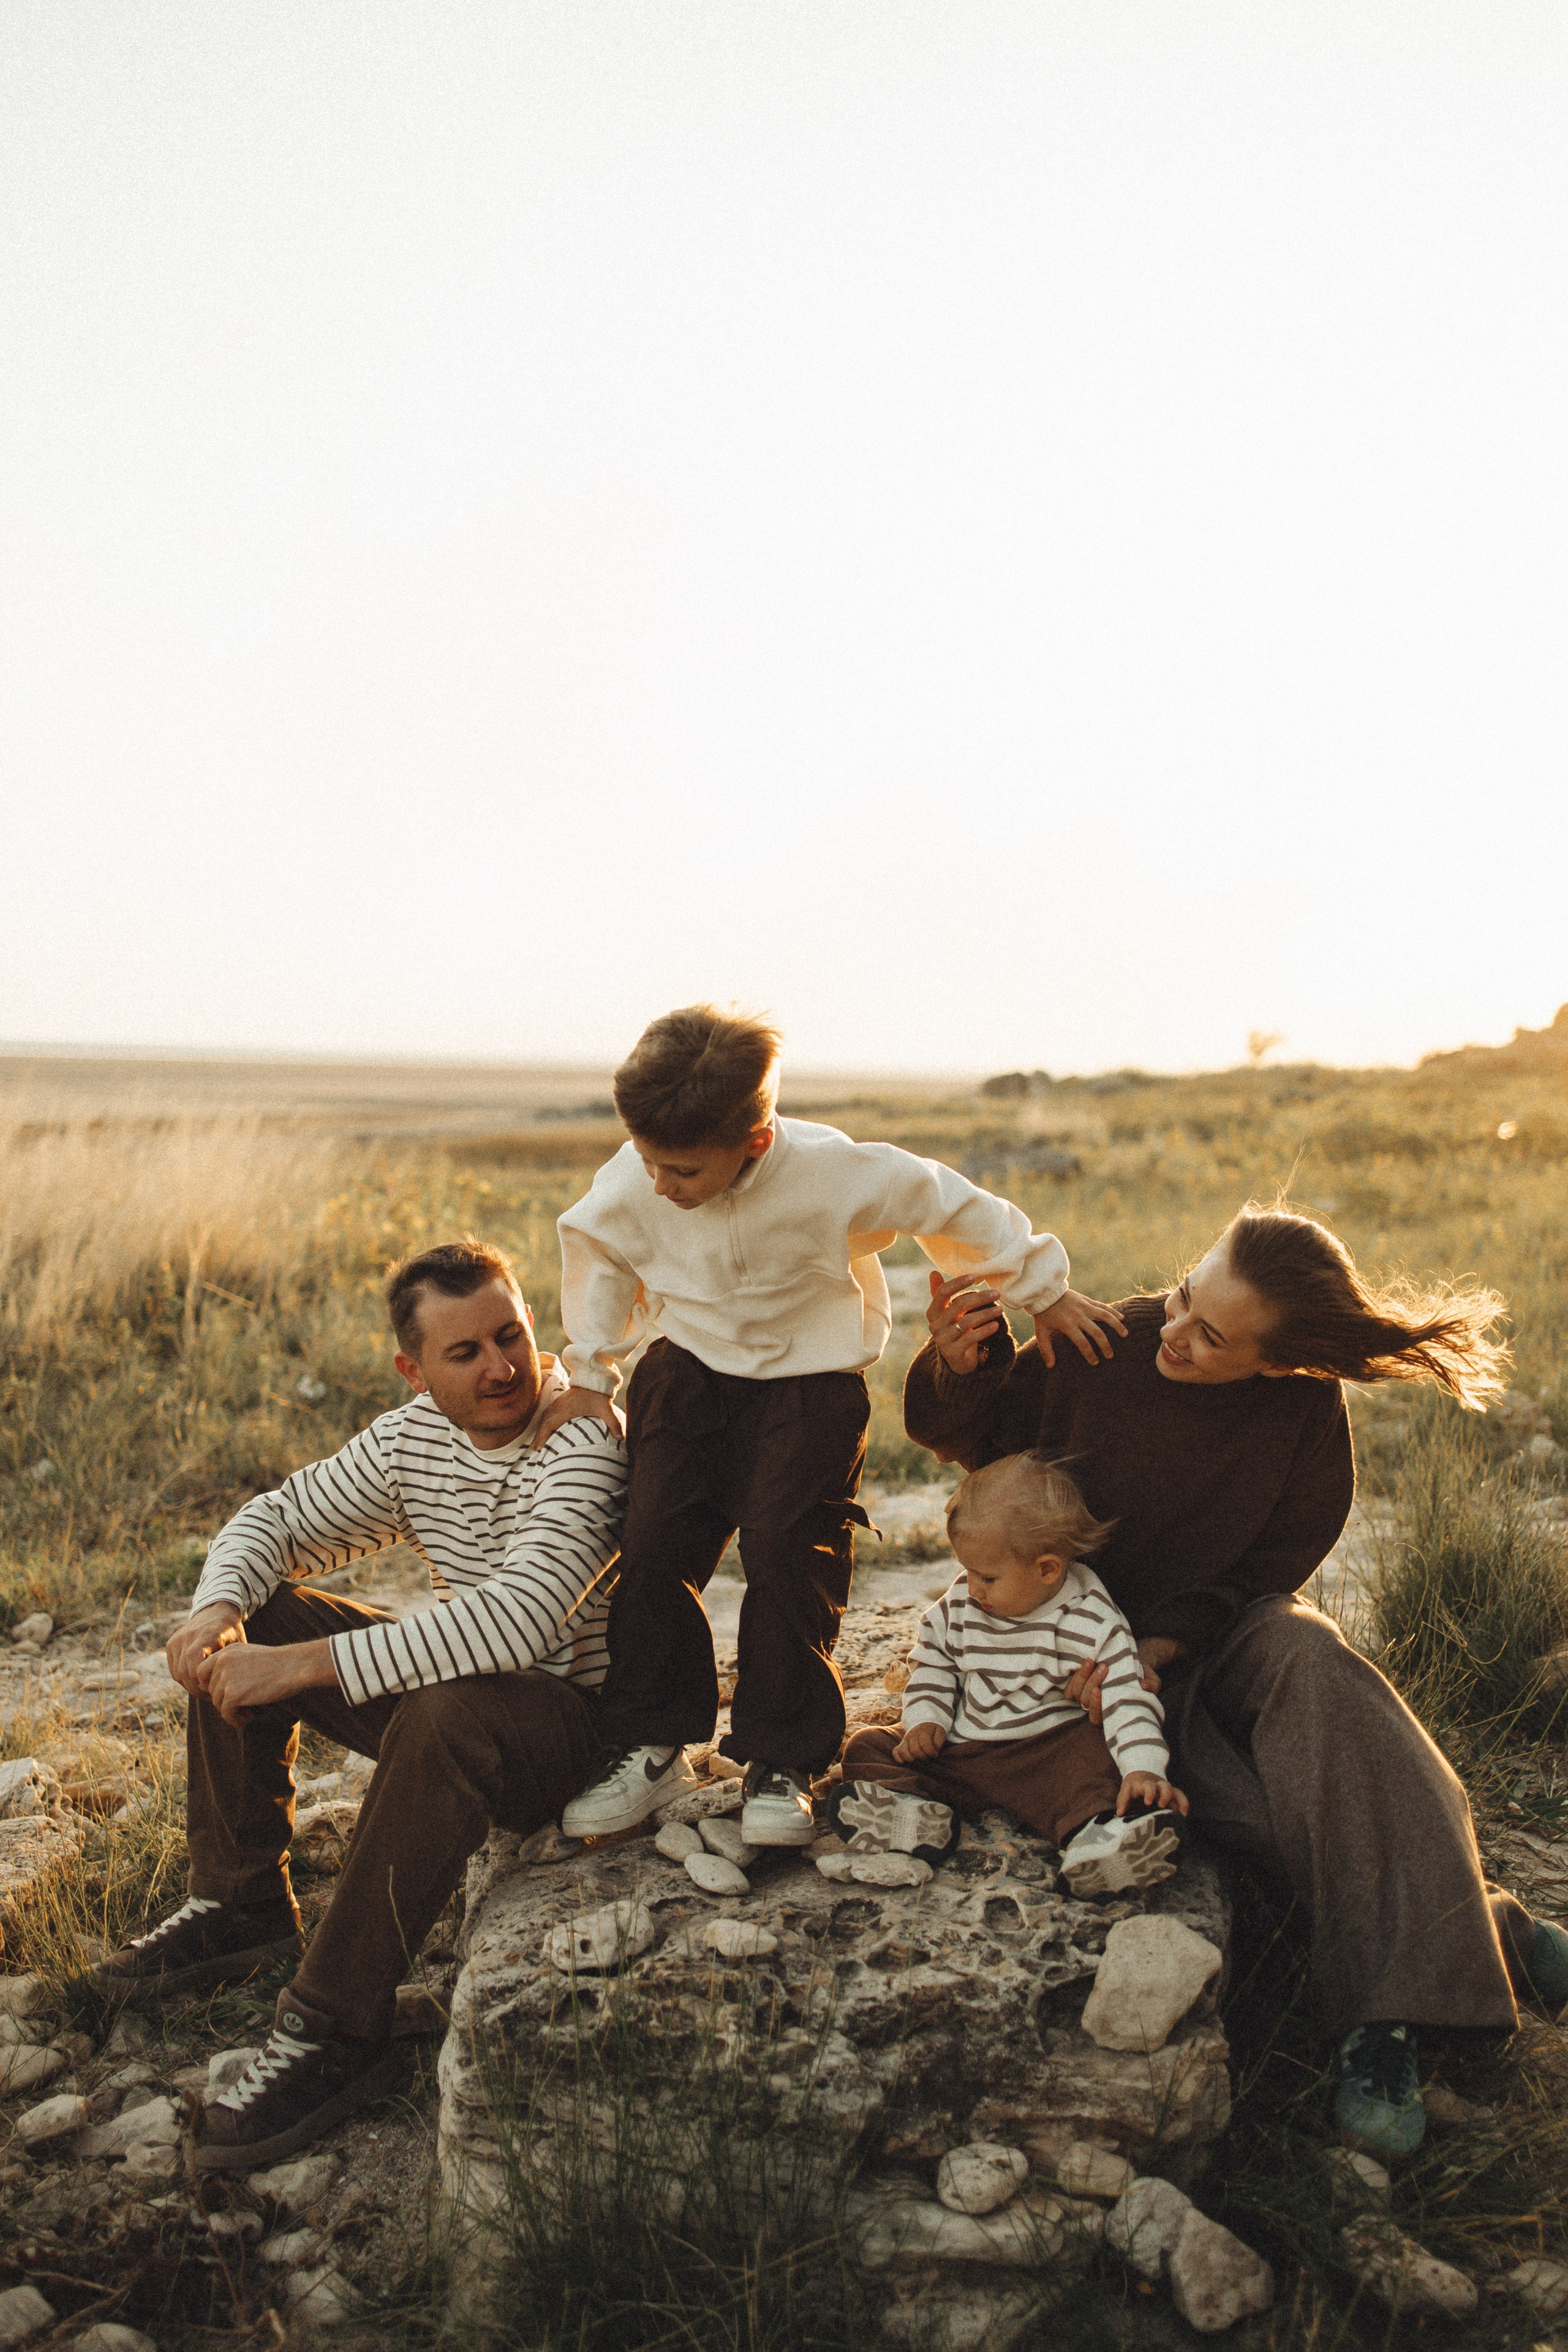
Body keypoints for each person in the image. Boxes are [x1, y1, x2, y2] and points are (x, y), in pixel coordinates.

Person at [903, 1204, 1568, 2159]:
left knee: (1318, 1659)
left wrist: (1171, 1640)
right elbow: (972, 1441)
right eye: (1185, 1295)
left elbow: (1274, 1564)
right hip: (1079, 1652)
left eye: (1212, 1335)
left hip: (1216, 1630)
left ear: (1282, 1364)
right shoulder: (1108, 1341)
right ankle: (1496, 1933)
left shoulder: (1305, 1413)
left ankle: (1382, 2028)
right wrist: (956, 1365)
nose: (1173, 1330)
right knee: (1262, 1811)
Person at [95, 1240, 625, 2173]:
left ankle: (334, 2028)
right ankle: (239, 1903)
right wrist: (218, 1611)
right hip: (463, 1700)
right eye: (465, 1353)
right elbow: (274, 1519)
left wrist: (300, 1667)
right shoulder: (412, 1437)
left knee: (439, 1710)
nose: (502, 1368)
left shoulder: (582, 1437)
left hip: (580, 1734)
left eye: (511, 1335)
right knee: (258, 1614)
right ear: (414, 1371)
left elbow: (521, 1620)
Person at [547, 1004, 1125, 1849]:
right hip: (687, 1367)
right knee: (655, 1538)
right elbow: (599, 1250)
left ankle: (783, 1759)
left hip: (811, 1382)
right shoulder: (637, 1179)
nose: (660, 1185)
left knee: (789, 1549)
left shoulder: (833, 1170)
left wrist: (1042, 1288)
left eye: (682, 1170)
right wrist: (593, 1374)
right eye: (647, 1161)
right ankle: (650, 1740)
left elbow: (947, 1202)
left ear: (754, 1140)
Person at [831, 1450, 1189, 1898]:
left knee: (1096, 1760)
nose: (971, 1587)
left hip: (1048, 1755)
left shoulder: (1091, 1620)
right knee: (868, 1746)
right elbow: (934, 1661)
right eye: (966, 1570)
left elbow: (1126, 1698)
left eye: (987, 1577)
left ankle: (1099, 1839)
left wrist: (1144, 1769)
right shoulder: (961, 1604)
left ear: (1047, 1569)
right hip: (963, 1749)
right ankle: (915, 1816)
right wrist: (927, 1720)